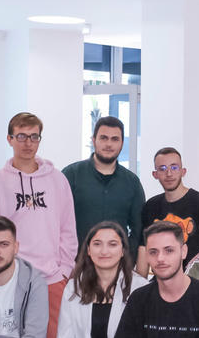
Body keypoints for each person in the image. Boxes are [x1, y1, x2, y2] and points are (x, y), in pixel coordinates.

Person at [0, 112, 77, 338]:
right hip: (11, 278)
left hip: (52, 278)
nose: (28, 143)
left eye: (34, 137)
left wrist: (64, 270)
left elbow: (68, 228)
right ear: (10, 139)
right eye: (21, 136)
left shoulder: (58, 179)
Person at [62, 116, 146, 274]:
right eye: (103, 138)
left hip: (118, 271)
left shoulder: (132, 182)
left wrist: (128, 261)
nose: (109, 144)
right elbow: (57, 223)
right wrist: (65, 264)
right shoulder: (71, 175)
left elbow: (139, 229)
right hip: (75, 269)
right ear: (94, 140)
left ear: (122, 143)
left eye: (115, 139)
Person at [56, 221, 146, 338]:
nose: (104, 251)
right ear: (88, 250)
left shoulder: (140, 288)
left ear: (123, 250)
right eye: (97, 244)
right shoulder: (73, 288)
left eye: (112, 244)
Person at [140, 147, 199, 270]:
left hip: (195, 277)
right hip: (161, 276)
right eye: (162, 168)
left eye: (174, 167)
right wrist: (140, 280)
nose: (169, 174)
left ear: (183, 171)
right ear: (155, 174)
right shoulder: (151, 206)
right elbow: (143, 247)